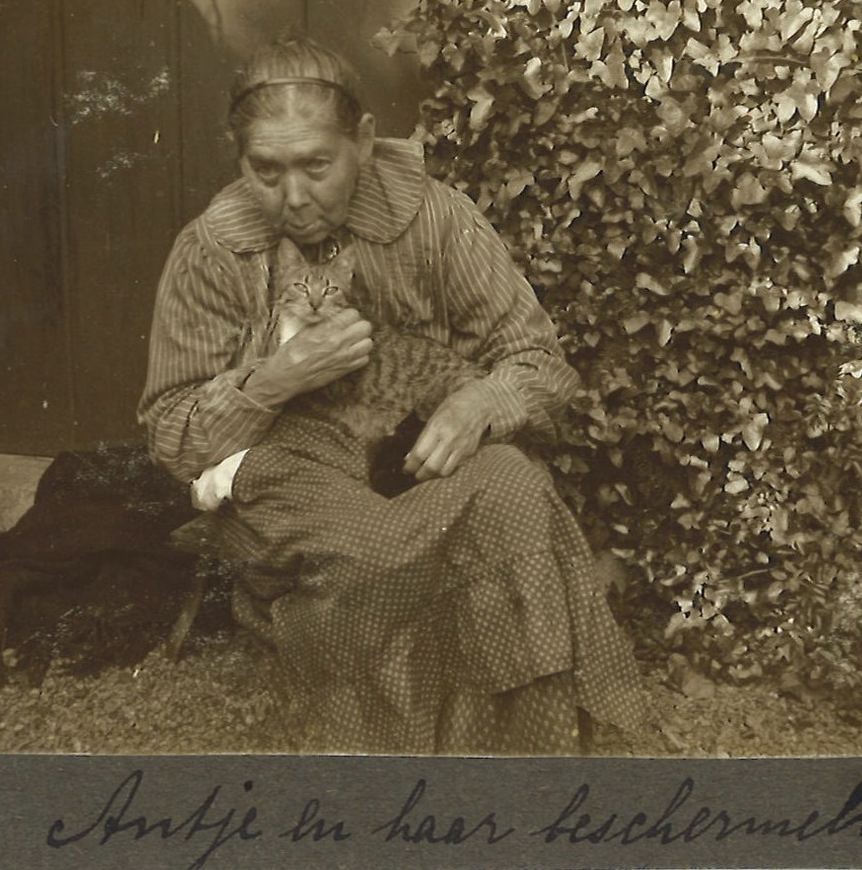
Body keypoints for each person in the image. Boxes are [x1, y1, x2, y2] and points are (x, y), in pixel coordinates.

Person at [139, 37, 648, 754]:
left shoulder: (438, 220)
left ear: (366, 142)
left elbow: (539, 360)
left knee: (512, 489)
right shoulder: (211, 252)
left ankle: (527, 772)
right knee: (379, 550)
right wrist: (278, 377)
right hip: (291, 485)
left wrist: (480, 403)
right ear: (238, 158)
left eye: (317, 165)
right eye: (266, 169)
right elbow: (171, 434)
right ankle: (389, 780)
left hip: (412, 468)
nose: (293, 196)